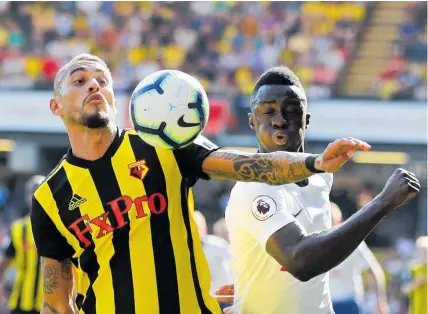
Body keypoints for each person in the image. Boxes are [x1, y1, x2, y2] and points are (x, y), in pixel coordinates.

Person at [30, 54, 370, 314]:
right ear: (55, 106)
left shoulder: (162, 144)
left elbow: (246, 165)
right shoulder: (49, 197)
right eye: (80, 80)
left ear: (116, 99)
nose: (94, 85)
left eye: (102, 80)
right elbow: (57, 302)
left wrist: (314, 163)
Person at [217, 66, 420, 314]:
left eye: (291, 111)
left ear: (307, 120)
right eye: (267, 111)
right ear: (252, 121)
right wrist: (383, 202)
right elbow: (301, 261)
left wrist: (259, 282)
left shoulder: (320, 179)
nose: (279, 120)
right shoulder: (254, 187)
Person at [329, 202, 390, 314]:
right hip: (326, 304)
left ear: (339, 221)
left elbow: (375, 271)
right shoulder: (315, 245)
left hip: (349, 304)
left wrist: (380, 302)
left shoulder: (352, 242)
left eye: (332, 220)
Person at [0, 175, 45, 314]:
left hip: (46, 306)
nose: (34, 196)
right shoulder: (18, 229)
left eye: (38, 191)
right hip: (20, 303)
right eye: (32, 192)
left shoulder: (59, 229)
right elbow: (5, 262)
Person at [193, 211, 232, 294]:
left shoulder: (217, 245)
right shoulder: (185, 250)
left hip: (222, 298)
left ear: (205, 228)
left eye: (198, 227)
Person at [402, 236, 427, 314]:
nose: (425, 255)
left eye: (426, 252)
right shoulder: (413, 269)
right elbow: (404, 289)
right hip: (416, 310)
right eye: (422, 251)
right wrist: (415, 283)